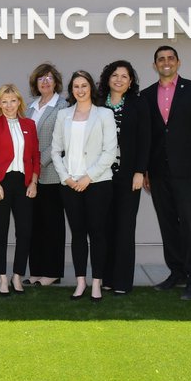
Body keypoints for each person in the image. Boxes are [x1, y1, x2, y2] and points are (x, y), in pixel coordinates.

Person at [143, 45, 191, 301]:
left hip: (187, 171)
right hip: (158, 171)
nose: (166, 62)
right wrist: (145, 169)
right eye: (161, 59)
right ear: (155, 65)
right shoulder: (146, 95)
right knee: (168, 224)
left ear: (178, 62)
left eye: (170, 58)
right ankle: (177, 272)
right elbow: (147, 136)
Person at [51, 70, 117, 302]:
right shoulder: (64, 115)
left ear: (91, 88)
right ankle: (81, 282)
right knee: (78, 234)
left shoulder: (104, 114)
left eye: (84, 86)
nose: (80, 90)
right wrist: (67, 178)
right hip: (70, 184)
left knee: (97, 233)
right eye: (76, 86)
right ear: (71, 90)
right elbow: (55, 151)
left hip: (97, 183)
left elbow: (110, 151)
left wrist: (88, 177)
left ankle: (97, 282)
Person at [0, 83, 40, 296]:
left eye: (13, 100)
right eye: (4, 101)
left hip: (24, 183)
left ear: (19, 102)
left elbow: (35, 156)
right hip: (0, 182)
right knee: (0, 230)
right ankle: (2, 277)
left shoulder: (29, 124)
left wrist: (34, 182)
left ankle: (17, 275)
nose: (9, 105)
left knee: (24, 231)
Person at [97, 60, 150, 295]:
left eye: (124, 76)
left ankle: (122, 281)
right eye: (115, 75)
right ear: (108, 79)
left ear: (130, 82)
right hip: (101, 176)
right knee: (105, 228)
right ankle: (106, 278)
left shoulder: (138, 104)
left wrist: (140, 171)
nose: (119, 80)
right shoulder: (98, 104)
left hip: (128, 176)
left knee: (125, 228)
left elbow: (145, 139)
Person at [26, 63, 65, 286]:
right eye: (41, 78)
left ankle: (52, 271)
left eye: (49, 77)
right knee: (34, 224)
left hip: (51, 174)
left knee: (52, 225)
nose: (45, 81)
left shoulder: (62, 107)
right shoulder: (30, 107)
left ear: (56, 81)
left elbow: (59, 142)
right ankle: (37, 270)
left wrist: (37, 165)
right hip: (31, 177)